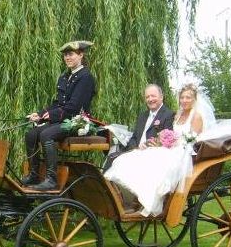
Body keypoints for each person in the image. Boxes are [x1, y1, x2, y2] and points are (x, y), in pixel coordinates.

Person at [104, 84, 209, 216]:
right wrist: (165, 140)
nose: (184, 100)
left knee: (154, 160)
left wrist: (167, 142)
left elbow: (193, 140)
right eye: (182, 97)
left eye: (188, 97)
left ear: (194, 99)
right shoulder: (177, 116)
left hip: (183, 151)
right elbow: (165, 134)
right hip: (169, 147)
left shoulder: (193, 116)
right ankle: (127, 199)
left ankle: (143, 200)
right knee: (123, 158)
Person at [22, 40, 96, 191]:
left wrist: (50, 115)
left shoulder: (85, 77)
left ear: (81, 55)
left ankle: (51, 179)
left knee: (46, 134)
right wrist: (40, 114)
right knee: (31, 134)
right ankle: (34, 174)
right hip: (62, 118)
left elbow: (74, 107)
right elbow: (58, 103)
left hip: (77, 121)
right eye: (65, 55)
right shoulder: (64, 77)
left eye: (71, 54)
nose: (67, 58)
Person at [103, 84, 174, 170]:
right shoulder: (142, 116)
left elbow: (166, 141)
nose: (150, 99)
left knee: (119, 164)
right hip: (135, 151)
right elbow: (134, 137)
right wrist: (135, 149)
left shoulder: (169, 115)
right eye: (147, 97)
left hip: (152, 156)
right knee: (112, 157)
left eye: (153, 96)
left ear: (161, 97)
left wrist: (148, 146)